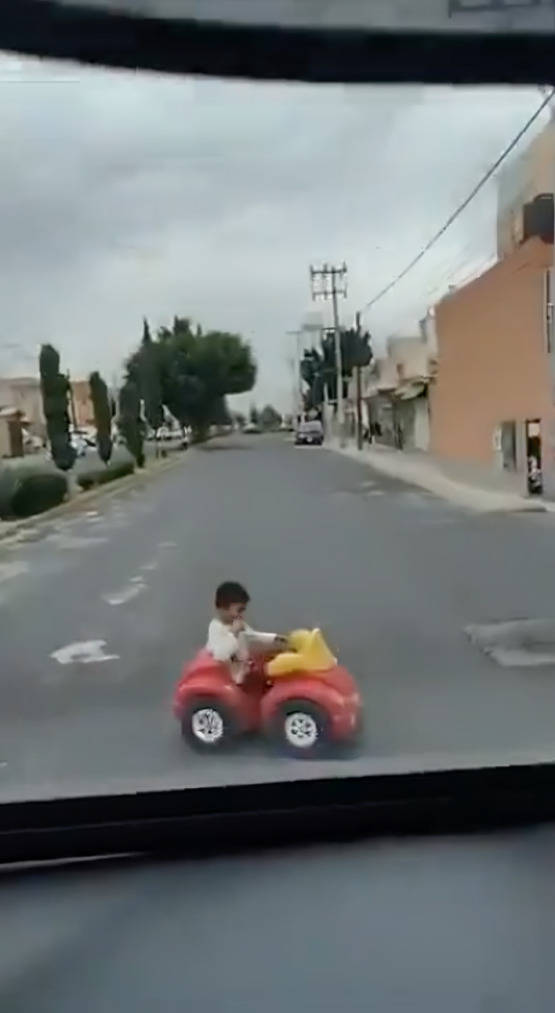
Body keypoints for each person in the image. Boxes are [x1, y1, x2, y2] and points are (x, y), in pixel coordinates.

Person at [206, 581, 287, 684]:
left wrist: (275, 639)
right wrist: (234, 634)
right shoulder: (216, 628)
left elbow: (252, 638)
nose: (242, 615)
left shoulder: (237, 624)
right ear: (223, 608)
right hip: (230, 679)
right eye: (239, 610)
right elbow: (222, 654)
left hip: (244, 670)